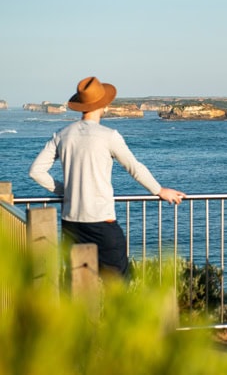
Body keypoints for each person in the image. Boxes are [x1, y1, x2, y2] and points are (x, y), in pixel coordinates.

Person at [29, 76, 185, 278]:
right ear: (103, 105)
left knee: (78, 286)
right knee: (119, 288)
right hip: (101, 222)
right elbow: (134, 168)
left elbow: (36, 171)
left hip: (71, 223)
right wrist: (160, 190)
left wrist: (65, 189)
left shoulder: (62, 134)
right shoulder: (109, 135)